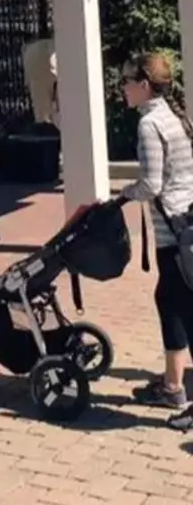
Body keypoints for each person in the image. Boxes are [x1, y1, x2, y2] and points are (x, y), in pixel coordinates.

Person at [116, 53, 193, 428]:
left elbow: (151, 184)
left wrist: (122, 194)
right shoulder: (173, 116)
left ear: (144, 85)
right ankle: (173, 385)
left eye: (127, 80)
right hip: (186, 225)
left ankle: (179, 390)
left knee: (183, 307)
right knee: (171, 300)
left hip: (173, 233)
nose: (123, 87)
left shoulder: (149, 125)